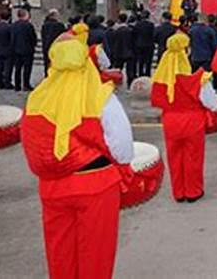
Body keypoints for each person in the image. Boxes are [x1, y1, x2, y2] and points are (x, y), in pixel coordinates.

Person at [21, 34, 134, 279]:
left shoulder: (36, 98)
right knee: (96, 253)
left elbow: (31, 144)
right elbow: (122, 145)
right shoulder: (100, 96)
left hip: (52, 186)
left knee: (59, 250)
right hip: (95, 183)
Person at [151, 32, 217, 203]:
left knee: (174, 157)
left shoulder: (161, 81)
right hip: (193, 121)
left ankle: (179, 192)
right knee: (193, 157)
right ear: (186, 52)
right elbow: (211, 103)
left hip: (170, 121)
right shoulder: (197, 79)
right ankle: (193, 191)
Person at [11, 8, 37, 91]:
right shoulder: (28, 25)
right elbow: (33, 37)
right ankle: (26, 84)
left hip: (16, 50)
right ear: (25, 15)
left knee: (17, 68)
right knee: (27, 68)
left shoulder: (14, 25)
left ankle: (17, 85)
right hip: (27, 50)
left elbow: (12, 38)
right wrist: (33, 46)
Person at [109, 13, 136, 88]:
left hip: (118, 52)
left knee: (118, 69)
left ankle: (116, 83)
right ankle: (129, 84)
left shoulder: (116, 31)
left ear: (119, 20)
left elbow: (113, 42)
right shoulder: (130, 30)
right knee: (130, 70)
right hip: (129, 52)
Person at [0, 10, 13, 89]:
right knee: (7, 68)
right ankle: (7, 83)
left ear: (0, 17)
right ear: (9, 18)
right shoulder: (10, 28)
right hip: (8, 50)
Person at [133, 11, 155, 77]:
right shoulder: (151, 25)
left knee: (140, 60)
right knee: (148, 61)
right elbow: (153, 34)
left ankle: (140, 73)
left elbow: (134, 34)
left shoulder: (137, 24)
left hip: (139, 44)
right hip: (149, 44)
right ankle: (147, 73)